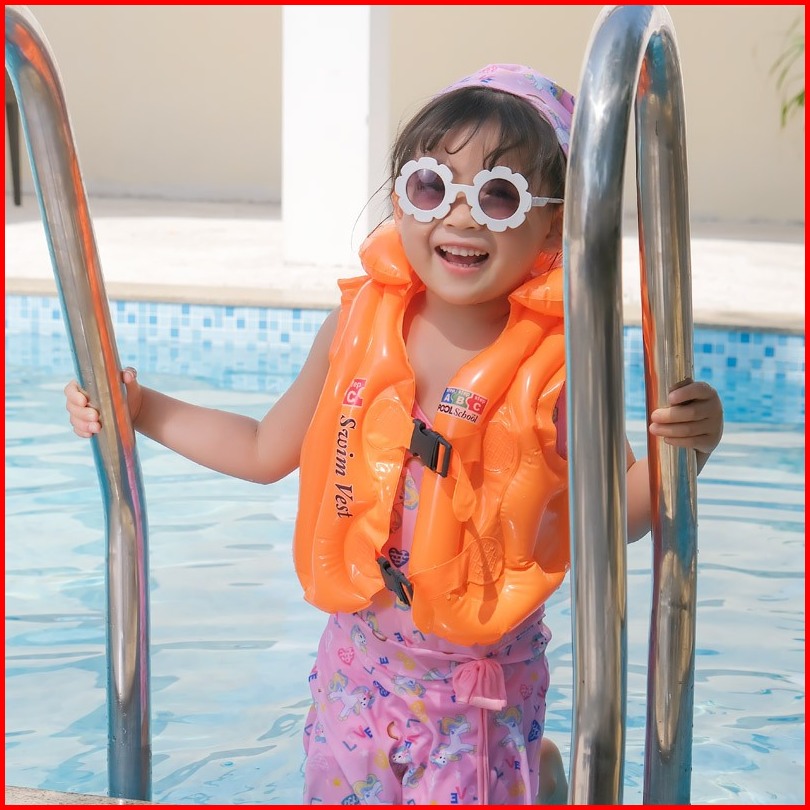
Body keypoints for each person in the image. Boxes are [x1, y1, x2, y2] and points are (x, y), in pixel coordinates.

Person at [64, 64, 723, 805]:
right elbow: (261, 449)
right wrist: (140, 408)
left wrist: (684, 448)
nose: (462, 218)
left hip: (474, 697)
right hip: (355, 671)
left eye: (499, 195)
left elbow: (615, 518)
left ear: (553, 223)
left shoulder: (559, 370)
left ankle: (539, 776)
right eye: (431, 186)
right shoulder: (356, 330)